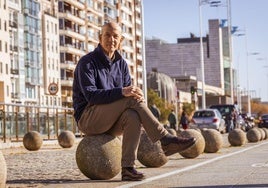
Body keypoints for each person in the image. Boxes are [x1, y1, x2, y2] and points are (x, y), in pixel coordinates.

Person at [72, 21, 196, 181]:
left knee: (132, 115)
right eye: (107, 35)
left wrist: (138, 96)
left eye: (115, 36)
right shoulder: (87, 62)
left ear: (121, 40)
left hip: (111, 121)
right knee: (129, 100)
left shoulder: (122, 64)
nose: (111, 39)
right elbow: (91, 96)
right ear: (99, 37)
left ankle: (128, 168)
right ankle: (164, 139)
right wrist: (125, 92)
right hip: (88, 118)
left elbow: (126, 96)